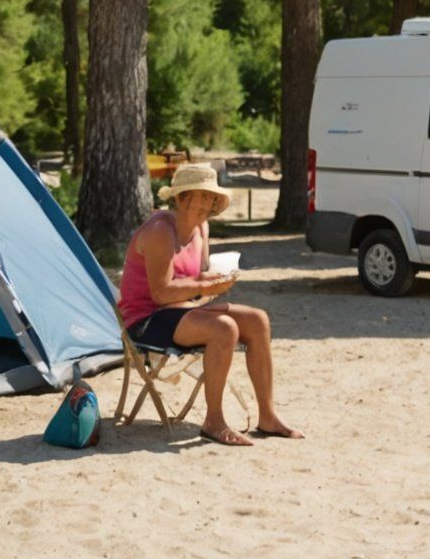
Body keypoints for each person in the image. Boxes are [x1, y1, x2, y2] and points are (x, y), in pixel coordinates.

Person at [119, 164, 300, 446]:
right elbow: (160, 292)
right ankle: (214, 421)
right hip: (147, 319)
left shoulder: (202, 228)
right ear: (180, 198)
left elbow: (198, 277)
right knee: (223, 328)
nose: (209, 203)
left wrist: (216, 283)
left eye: (212, 197)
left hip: (182, 309)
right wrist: (204, 287)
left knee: (257, 319)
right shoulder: (160, 231)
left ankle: (268, 416)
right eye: (202, 196)